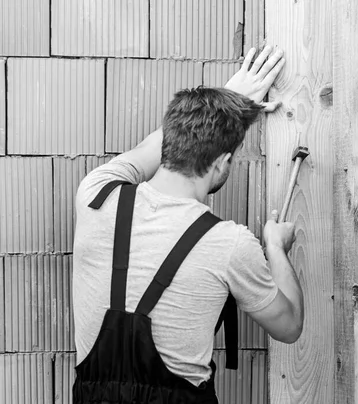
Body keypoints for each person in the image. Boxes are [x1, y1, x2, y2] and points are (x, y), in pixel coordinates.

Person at [71, 45, 304, 404]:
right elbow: (288, 326)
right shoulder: (228, 243)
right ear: (222, 163)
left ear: (171, 138)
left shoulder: (96, 195)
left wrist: (227, 101)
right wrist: (276, 247)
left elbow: (149, 148)